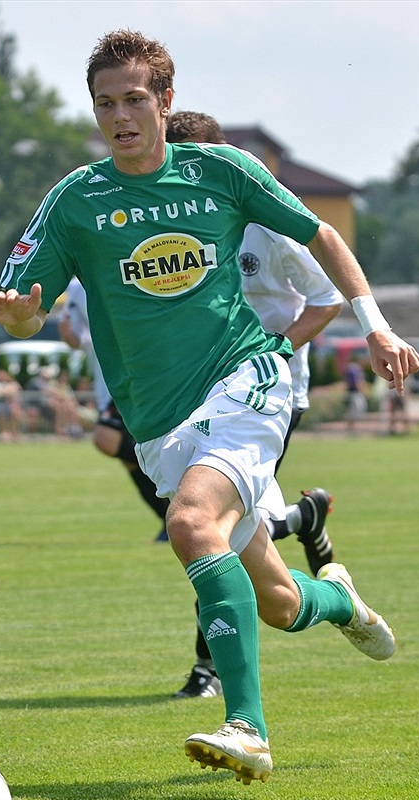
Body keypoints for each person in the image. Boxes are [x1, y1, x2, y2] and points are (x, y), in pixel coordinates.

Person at [0, 29, 419, 785]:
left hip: (246, 378)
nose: (120, 117)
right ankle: (341, 599)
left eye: (134, 100)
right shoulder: (76, 200)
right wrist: (20, 312)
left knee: (189, 524)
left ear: (165, 101)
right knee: (280, 601)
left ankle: (247, 725)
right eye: (106, 104)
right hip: (159, 425)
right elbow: (28, 309)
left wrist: (375, 325)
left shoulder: (221, 171)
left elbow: (321, 234)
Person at [166, 110, 344, 699]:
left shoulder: (267, 225)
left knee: (208, 526)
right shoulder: (177, 226)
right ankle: (303, 522)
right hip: (201, 391)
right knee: (223, 528)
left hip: (271, 392)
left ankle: (210, 669)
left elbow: (325, 300)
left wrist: (273, 349)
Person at [59, 276, 171, 539]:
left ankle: (175, 484)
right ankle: (168, 518)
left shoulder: (125, 266)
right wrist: (68, 335)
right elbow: (77, 338)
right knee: (127, 458)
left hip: (135, 376)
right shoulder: (76, 286)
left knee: (106, 439)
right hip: (105, 381)